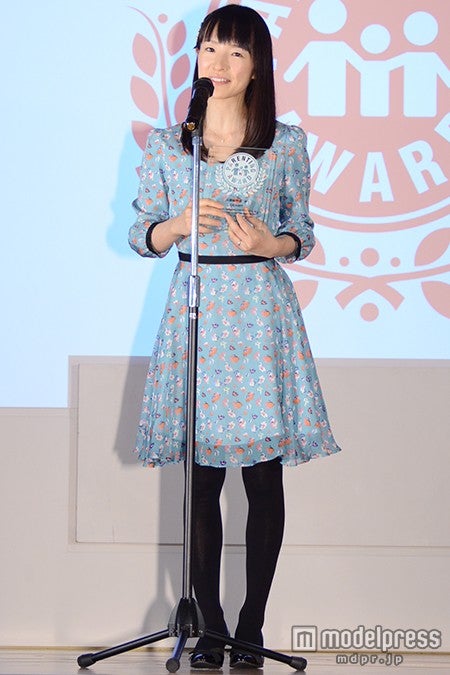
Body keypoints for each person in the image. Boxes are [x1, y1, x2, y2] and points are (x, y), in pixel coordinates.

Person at [129, 3, 341, 669]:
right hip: (196, 308)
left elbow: (302, 229)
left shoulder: (286, 142)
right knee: (200, 479)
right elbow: (140, 232)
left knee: (262, 479)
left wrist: (272, 243)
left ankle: (251, 624)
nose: (218, 64)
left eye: (235, 52)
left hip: (258, 310)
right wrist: (175, 225)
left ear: (257, 67)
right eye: (209, 49)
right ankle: (213, 627)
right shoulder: (170, 144)